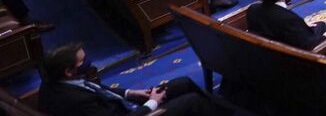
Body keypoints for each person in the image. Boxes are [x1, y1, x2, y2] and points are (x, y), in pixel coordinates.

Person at [37, 42, 220, 115]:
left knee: (183, 83)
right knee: (192, 101)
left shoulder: (60, 80)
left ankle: (221, 111)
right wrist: (152, 104)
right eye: (83, 61)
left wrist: (133, 92)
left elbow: (99, 90)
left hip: (125, 106)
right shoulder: (76, 102)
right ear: (68, 71)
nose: (88, 63)